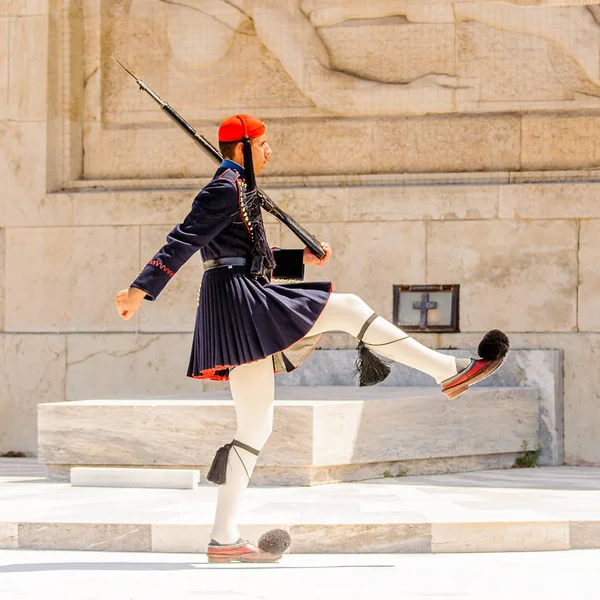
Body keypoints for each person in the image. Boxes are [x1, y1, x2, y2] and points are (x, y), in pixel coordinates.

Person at [115, 113, 509, 563]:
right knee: (350, 307)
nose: (269, 151)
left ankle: (223, 540)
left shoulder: (238, 187)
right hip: (241, 302)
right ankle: (448, 372)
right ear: (242, 147)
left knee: (254, 427)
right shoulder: (225, 187)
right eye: (262, 144)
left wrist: (298, 258)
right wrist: (139, 290)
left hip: (241, 298)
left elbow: (245, 255)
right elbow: (185, 238)